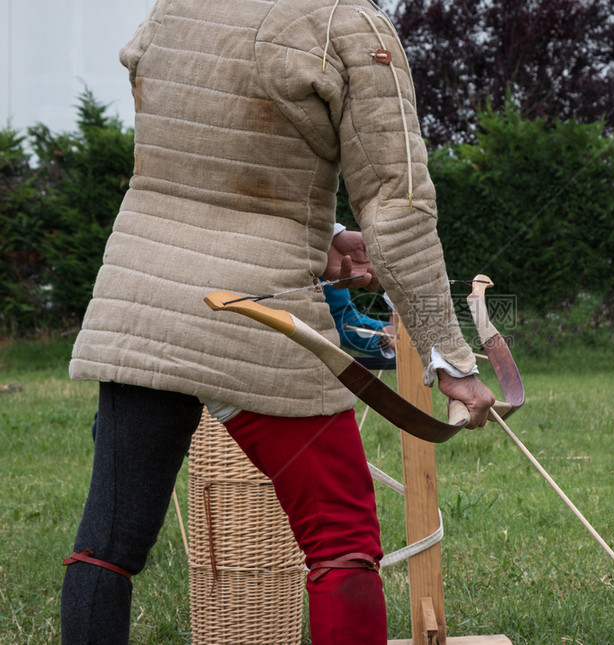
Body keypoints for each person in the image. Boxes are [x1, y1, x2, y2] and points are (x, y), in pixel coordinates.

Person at [61, 1, 495, 644]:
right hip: (258, 312)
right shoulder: (351, 25)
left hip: (142, 299)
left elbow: (206, 162)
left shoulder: (179, 6)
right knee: (342, 544)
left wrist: (323, 238)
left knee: (108, 547)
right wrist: (450, 357)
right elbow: (397, 212)